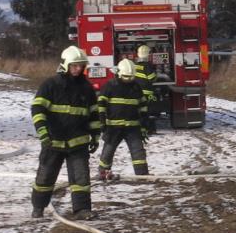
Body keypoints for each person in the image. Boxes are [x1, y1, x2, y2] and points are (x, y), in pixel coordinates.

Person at [31, 45, 101, 220]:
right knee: (45, 177)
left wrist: (96, 136)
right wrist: (43, 133)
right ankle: (38, 207)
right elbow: (38, 110)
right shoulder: (50, 85)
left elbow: (93, 114)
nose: (78, 69)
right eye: (74, 65)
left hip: (78, 142)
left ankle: (82, 210)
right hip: (53, 142)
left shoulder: (87, 89)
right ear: (66, 65)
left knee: (81, 179)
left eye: (81, 66)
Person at [97, 57, 151, 181]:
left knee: (138, 153)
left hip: (133, 127)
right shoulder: (110, 86)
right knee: (108, 152)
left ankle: (142, 175)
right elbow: (101, 104)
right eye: (126, 76)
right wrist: (102, 122)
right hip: (113, 127)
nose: (129, 79)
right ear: (119, 73)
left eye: (131, 77)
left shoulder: (136, 87)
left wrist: (144, 126)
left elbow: (143, 107)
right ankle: (103, 174)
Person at [133, 44, 162, 132]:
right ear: (148, 55)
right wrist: (157, 73)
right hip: (146, 93)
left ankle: (139, 128)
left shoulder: (134, 65)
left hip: (136, 93)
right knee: (148, 112)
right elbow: (152, 78)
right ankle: (149, 129)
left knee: (139, 112)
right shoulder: (147, 66)